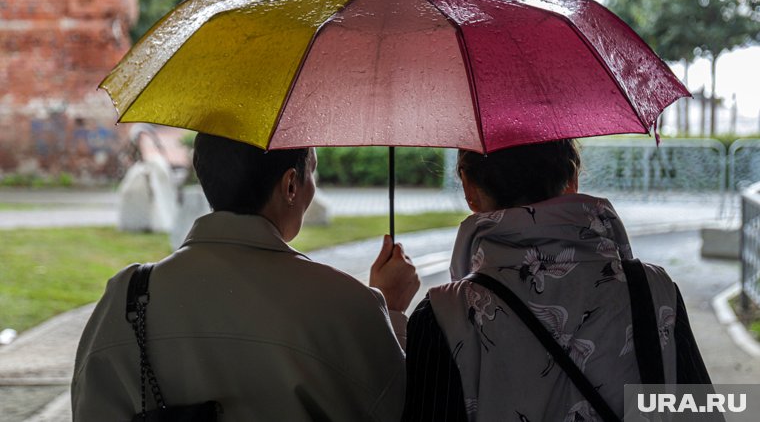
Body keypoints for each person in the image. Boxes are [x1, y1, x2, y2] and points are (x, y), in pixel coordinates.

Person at [72, 133, 420, 421]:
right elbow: (404, 409)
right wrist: (388, 313)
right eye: (311, 171)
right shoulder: (347, 304)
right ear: (290, 186)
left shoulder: (127, 298)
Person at [402, 139, 711, 421]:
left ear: (469, 189)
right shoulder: (655, 290)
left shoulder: (443, 316)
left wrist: (389, 305)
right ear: (572, 180)